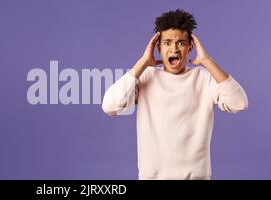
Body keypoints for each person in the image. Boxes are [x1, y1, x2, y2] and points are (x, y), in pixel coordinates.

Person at [102, 9, 248, 180]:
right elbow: (109, 106)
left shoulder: (203, 78)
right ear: (158, 48)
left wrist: (207, 61)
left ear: (190, 47)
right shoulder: (146, 77)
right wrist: (142, 63)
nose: (174, 49)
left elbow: (239, 103)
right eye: (167, 43)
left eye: (181, 43)